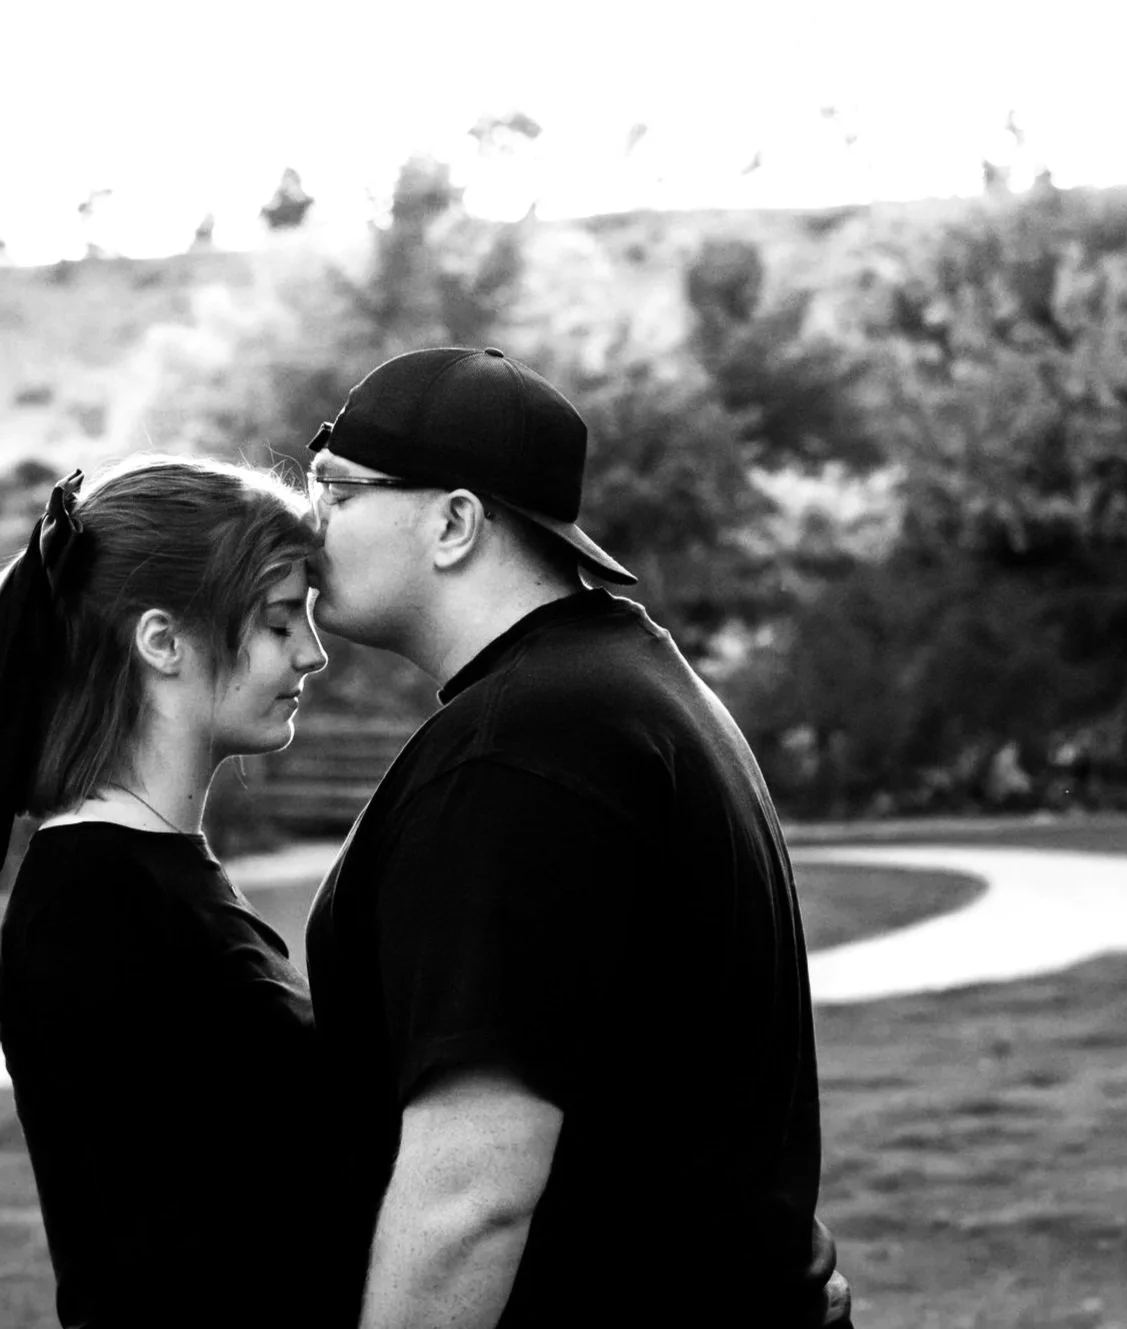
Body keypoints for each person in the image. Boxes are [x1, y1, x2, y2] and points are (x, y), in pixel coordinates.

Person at [301, 347, 853, 1328]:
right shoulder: (620, 688)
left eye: (335, 493)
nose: (304, 528)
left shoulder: (522, 751)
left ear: (454, 523)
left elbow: (470, 1198)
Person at [0, 454, 336, 1328]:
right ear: (162, 641)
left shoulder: (149, 871)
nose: (311, 653)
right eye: (280, 621)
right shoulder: (95, 906)